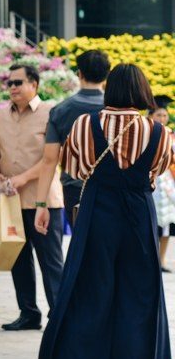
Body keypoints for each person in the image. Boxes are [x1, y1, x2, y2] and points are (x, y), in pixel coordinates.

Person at [25, 65, 173, 359]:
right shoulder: (159, 131)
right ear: (142, 90)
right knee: (139, 297)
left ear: (110, 88)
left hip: (98, 213)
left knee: (82, 292)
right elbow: (158, 169)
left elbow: (76, 169)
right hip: (139, 215)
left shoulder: (84, 124)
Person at [0, 64, 64, 332]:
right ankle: (28, 313)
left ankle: (60, 316)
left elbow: (52, 157)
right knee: (18, 261)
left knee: (51, 263)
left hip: (44, 202)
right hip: (12, 202)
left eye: (18, 82)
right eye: (9, 83)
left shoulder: (51, 113)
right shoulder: (1, 116)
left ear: (34, 84)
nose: (12, 87)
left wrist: (22, 179)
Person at [28, 50, 111, 230]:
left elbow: (49, 160)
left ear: (79, 74)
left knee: (82, 241)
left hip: (75, 189)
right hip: (112, 189)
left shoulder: (61, 110)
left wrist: (41, 205)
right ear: (106, 75)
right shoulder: (116, 109)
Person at [150, 99, 175, 272]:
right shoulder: (147, 133)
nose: (162, 118)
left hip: (167, 183)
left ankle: (162, 259)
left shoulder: (171, 135)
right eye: (159, 115)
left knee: (166, 223)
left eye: (164, 115)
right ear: (151, 116)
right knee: (151, 223)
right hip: (151, 181)